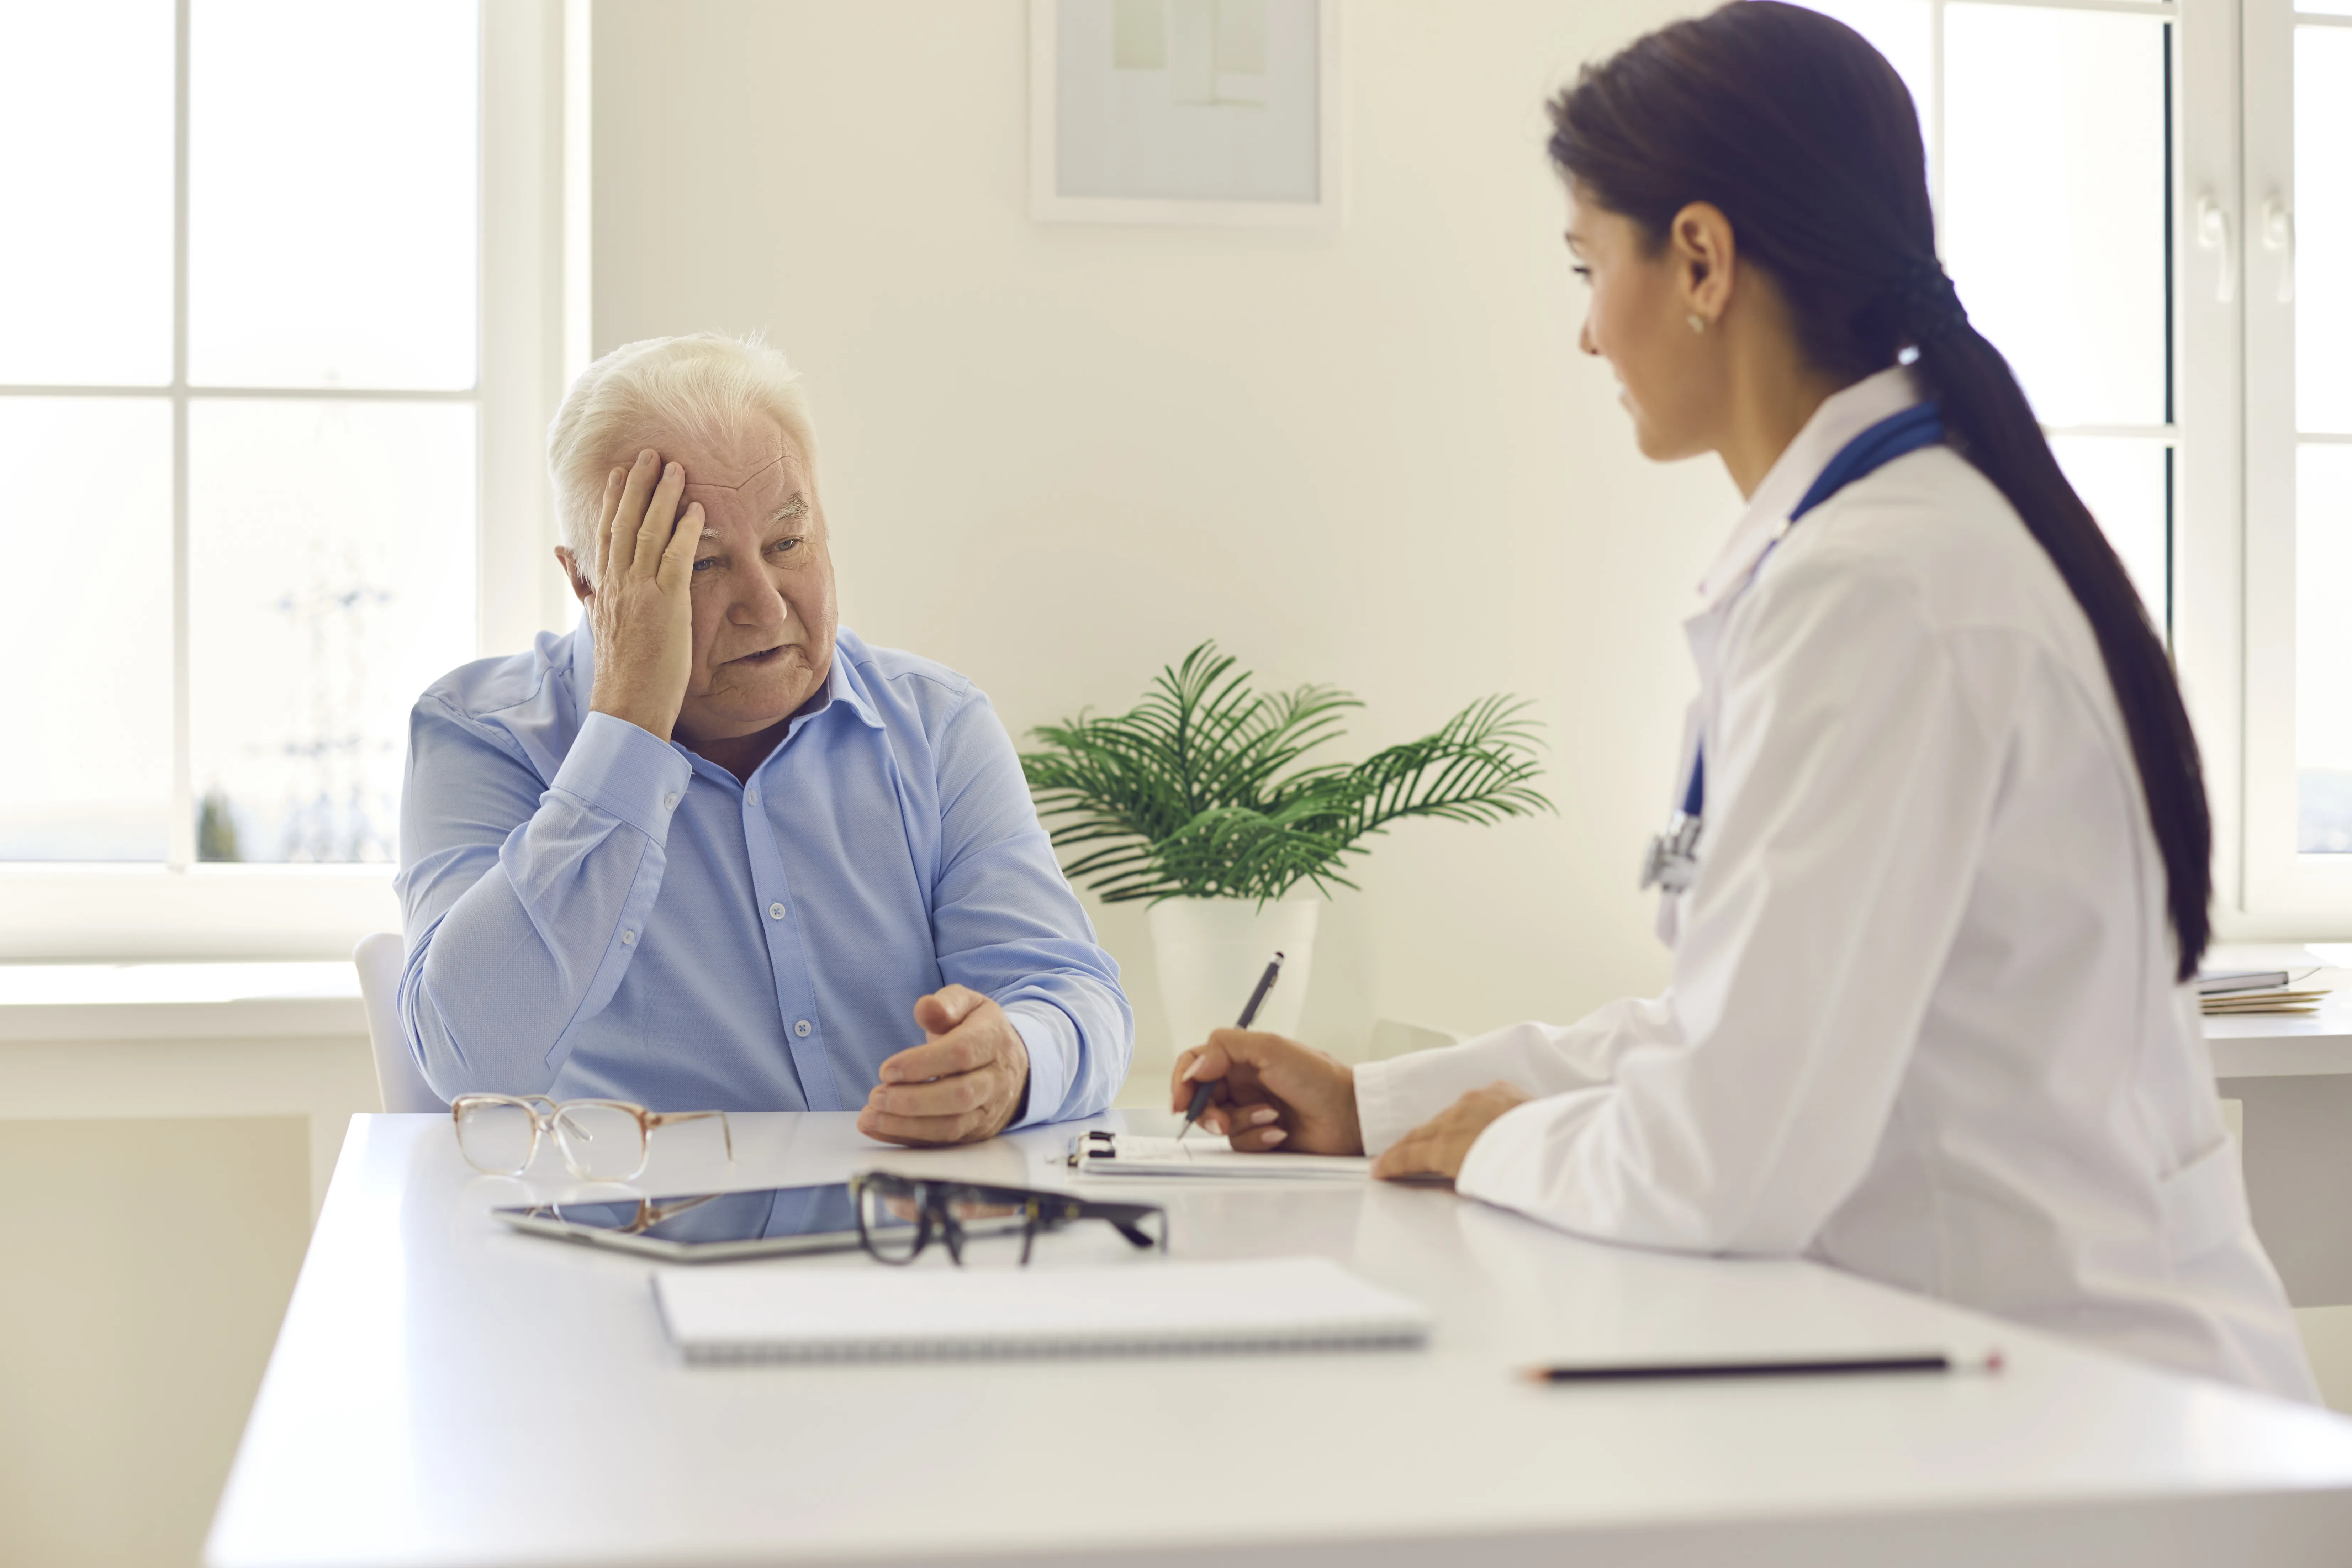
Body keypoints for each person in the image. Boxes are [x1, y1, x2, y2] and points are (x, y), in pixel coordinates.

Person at [1171, 2, 2316, 1400]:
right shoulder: (1858, 556)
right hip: (2016, 1379)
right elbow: (1718, 1027)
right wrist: (1376, 1102)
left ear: (1700, 259)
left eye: (1588, 265)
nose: (1586, 334)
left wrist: (1491, 1142)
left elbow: (1726, 1161)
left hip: (2094, 1404)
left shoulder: (1880, 591)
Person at [396, 333, 1131, 1145]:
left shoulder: (935, 725)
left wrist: (1015, 1061)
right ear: (588, 582)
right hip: (638, 1222)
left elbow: (1072, 996)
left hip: (898, 1218)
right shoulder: (481, 735)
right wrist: (628, 728)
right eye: (699, 565)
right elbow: (472, 1061)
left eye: (787, 544)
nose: (767, 605)